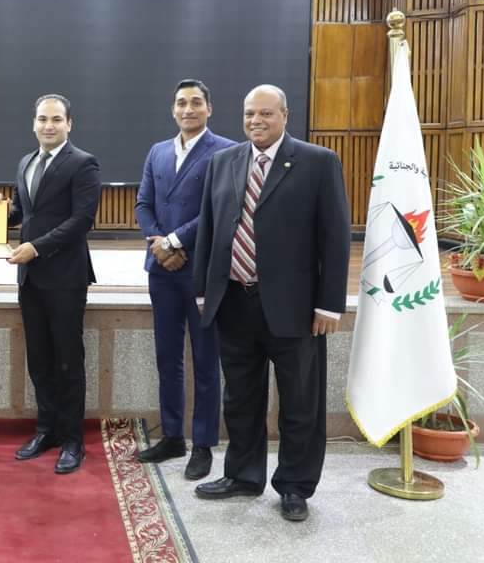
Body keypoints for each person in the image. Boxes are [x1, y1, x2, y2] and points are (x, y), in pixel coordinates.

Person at [192, 85, 350, 522]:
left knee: (300, 402)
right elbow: (210, 229)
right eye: (249, 114)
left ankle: (295, 485)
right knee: (240, 399)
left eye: (265, 113)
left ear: (285, 115)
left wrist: (329, 305)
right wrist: (204, 290)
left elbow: (335, 237)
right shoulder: (223, 162)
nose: (256, 121)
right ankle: (243, 476)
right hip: (233, 301)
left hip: (295, 309)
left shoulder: (318, 162)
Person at [134, 79, 233, 479]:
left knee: (206, 360)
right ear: (173, 109)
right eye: (181, 103)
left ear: (209, 108)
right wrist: (159, 245)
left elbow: (218, 209)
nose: (187, 109)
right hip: (161, 271)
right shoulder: (157, 151)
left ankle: (203, 445)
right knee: (168, 357)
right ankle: (172, 435)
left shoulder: (225, 152)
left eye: (195, 102)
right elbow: (143, 203)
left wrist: (174, 242)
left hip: (201, 271)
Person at [5, 94, 101, 475]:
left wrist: (36, 248)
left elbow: (81, 221)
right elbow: (22, 211)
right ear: (33, 123)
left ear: (69, 124)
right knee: (40, 360)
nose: (49, 125)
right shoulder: (25, 162)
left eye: (56, 119)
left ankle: (73, 440)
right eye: (42, 119)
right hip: (30, 279)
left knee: (68, 361)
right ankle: (46, 430)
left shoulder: (83, 163)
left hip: (65, 279)